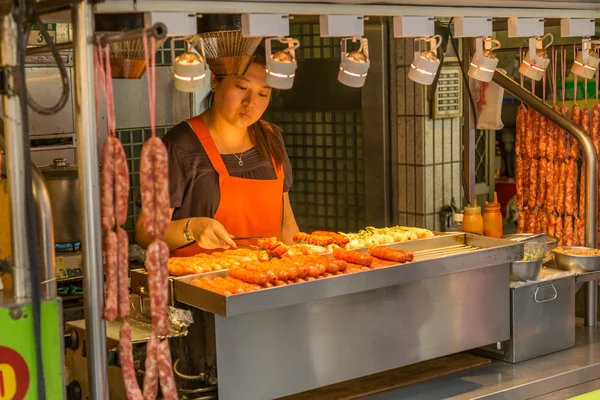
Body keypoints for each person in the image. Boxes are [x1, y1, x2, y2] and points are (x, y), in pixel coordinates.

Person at [136, 48, 299, 256]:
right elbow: (144, 233)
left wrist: (301, 270)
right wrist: (191, 228)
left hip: (267, 281)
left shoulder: (271, 137)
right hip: (203, 283)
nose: (250, 102)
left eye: (263, 93)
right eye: (241, 87)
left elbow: (286, 223)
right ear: (215, 81)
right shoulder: (179, 146)